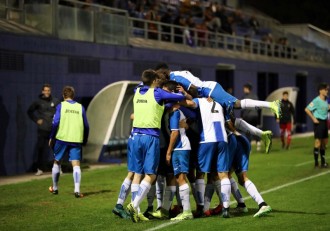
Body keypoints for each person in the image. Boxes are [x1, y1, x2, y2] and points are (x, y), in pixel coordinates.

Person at [155, 63, 277, 153]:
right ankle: (263, 135)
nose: (159, 78)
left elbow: (193, 88)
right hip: (207, 92)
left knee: (236, 104)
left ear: (164, 72)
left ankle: (271, 105)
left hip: (210, 90)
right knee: (231, 121)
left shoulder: (175, 77)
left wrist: (204, 99)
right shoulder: (176, 75)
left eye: (159, 75)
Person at [126, 70, 186, 223]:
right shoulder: (158, 93)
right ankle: (134, 205)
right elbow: (179, 97)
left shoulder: (137, 90)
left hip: (135, 137)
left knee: (137, 174)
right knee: (152, 175)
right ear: (154, 80)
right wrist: (181, 94)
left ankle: (137, 211)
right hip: (150, 137)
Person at [48, 86, 89, 198]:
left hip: (62, 138)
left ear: (63, 95)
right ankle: (77, 190)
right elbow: (86, 125)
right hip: (76, 139)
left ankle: (55, 188)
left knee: (57, 161)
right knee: (76, 164)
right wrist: (85, 139)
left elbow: (55, 122)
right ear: (73, 95)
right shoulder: (80, 107)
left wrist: (51, 137)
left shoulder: (61, 106)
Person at [27, 84, 60, 176]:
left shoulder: (55, 101)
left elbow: (61, 111)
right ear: (42, 91)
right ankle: (40, 169)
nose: (47, 92)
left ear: (50, 91)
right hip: (43, 129)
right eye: (45, 90)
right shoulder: (38, 102)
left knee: (56, 149)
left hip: (53, 129)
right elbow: (29, 111)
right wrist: (36, 119)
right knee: (41, 148)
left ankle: (58, 168)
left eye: (48, 90)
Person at [305, 83, 330, 168]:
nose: (327, 91)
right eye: (325, 89)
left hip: (325, 122)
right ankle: (316, 163)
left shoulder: (326, 100)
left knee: (324, 142)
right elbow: (307, 109)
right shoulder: (316, 100)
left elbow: (327, 108)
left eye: (327, 90)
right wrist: (314, 119)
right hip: (318, 122)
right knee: (318, 142)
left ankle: (323, 162)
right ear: (320, 91)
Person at [241, 83, 261, 151]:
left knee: (248, 131)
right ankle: (258, 142)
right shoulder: (255, 96)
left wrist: (242, 117)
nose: (243, 90)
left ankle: (249, 147)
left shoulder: (245, 97)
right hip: (255, 116)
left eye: (244, 88)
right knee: (254, 130)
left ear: (247, 89)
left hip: (248, 117)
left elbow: (244, 108)